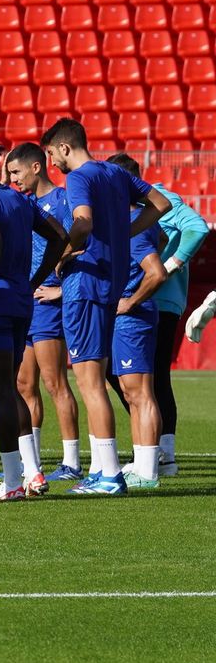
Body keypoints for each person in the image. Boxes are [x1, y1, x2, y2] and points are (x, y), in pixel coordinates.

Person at [38, 119, 170, 495]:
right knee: (94, 380)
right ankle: (103, 470)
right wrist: (123, 233)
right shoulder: (116, 172)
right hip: (110, 285)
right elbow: (160, 203)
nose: (52, 164)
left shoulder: (79, 177)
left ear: (65, 147)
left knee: (89, 382)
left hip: (85, 283)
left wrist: (61, 256)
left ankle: (109, 474)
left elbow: (82, 222)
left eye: (51, 154)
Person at [0, 137, 67, 501]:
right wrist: (34, 280)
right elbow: (59, 236)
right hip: (21, 303)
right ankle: (26, 475)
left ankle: (11, 485)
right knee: (10, 388)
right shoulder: (20, 199)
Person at [5, 143, 83, 481]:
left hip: (49, 306)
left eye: (16, 172)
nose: (12, 180)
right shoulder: (24, 204)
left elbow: (81, 245)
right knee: (24, 384)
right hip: (26, 303)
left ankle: (72, 462)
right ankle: (30, 462)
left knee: (55, 383)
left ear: (37, 167)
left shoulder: (63, 201)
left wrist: (59, 287)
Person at [104, 154, 172, 488]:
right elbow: (161, 241)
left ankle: (148, 471)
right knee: (132, 393)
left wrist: (130, 299)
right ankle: (141, 462)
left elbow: (156, 272)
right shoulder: (139, 224)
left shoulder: (134, 226)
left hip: (133, 318)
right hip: (127, 319)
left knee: (140, 392)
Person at [138, 161, 208, 475]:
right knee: (139, 377)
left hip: (160, 300)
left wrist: (169, 267)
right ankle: (159, 453)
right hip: (145, 298)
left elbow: (198, 227)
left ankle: (160, 454)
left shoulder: (162, 198)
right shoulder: (130, 206)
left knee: (149, 378)